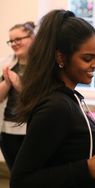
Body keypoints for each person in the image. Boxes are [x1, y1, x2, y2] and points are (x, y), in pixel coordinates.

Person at [10, 9, 95, 188]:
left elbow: (68, 156)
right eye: (87, 58)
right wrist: (88, 168)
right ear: (61, 57)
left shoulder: (70, 98)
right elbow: (21, 181)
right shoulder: (55, 106)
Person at [0, 21, 35, 171]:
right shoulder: (7, 63)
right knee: (14, 174)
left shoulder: (41, 65)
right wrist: (7, 83)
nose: (14, 44)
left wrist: (19, 84)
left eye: (18, 39)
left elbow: (39, 98)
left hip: (31, 129)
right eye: (11, 41)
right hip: (7, 130)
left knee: (30, 174)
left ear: (32, 38)